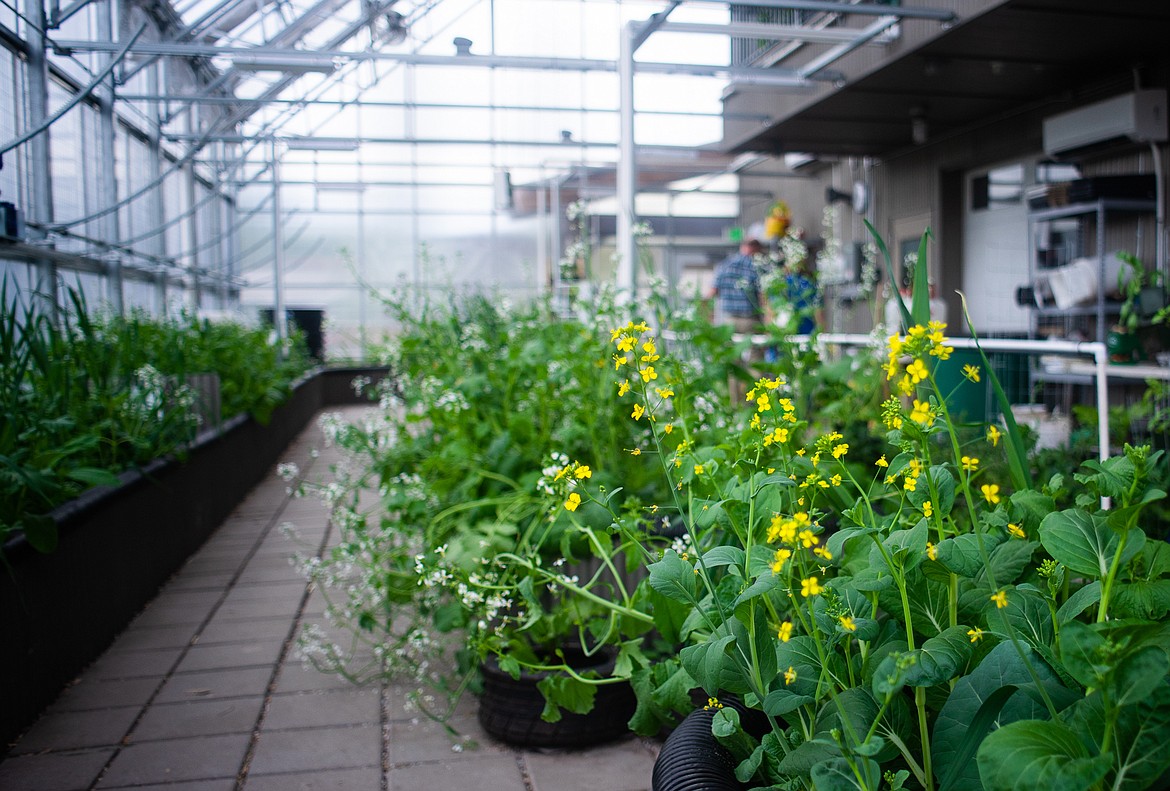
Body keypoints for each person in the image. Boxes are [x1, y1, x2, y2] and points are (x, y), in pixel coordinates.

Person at [707, 238, 766, 405]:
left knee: (734, 363)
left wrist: (709, 318)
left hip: (729, 321)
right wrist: (768, 323)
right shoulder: (755, 266)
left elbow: (711, 293)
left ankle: (736, 403)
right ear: (755, 249)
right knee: (756, 360)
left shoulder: (725, 265)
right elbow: (763, 298)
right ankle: (755, 402)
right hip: (751, 320)